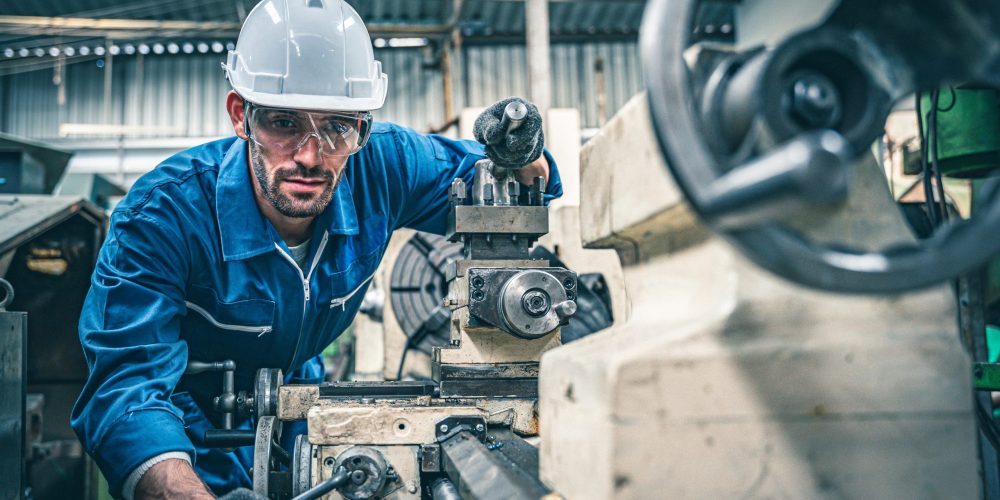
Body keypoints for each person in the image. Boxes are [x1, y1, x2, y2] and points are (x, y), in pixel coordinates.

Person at [69, 0, 561, 498]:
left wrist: (523, 156)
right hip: (189, 434)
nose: (310, 155)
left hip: (306, 413)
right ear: (242, 116)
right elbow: (125, 388)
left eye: (336, 126)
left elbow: (505, 181)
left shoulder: (382, 165)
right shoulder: (163, 214)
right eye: (283, 123)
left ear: (362, 128)